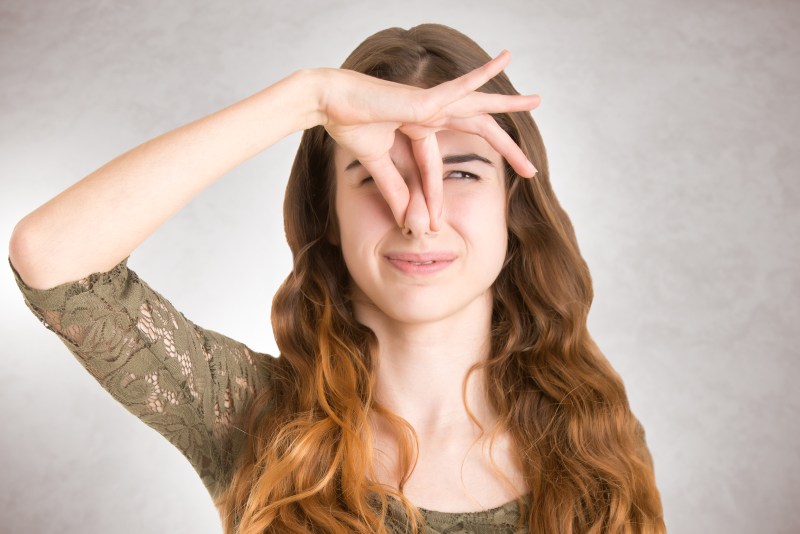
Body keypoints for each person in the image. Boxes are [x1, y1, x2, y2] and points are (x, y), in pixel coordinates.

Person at [9, 23, 665, 534]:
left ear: (512, 210)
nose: (419, 213)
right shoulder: (254, 418)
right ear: (327, 214)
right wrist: (309, 99)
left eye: (461, 172)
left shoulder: (593, 441)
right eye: (376, 176)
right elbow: (51, 255)